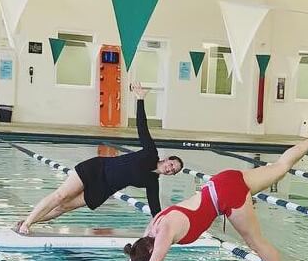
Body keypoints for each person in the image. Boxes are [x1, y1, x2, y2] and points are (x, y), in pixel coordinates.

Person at [96, 126, 308, 261]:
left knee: (256, 242)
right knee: (280, 166)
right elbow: (137, 258)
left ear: (151, 248)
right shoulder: (153, 226)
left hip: (227, 198)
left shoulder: (164, 233)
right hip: (221, 180)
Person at [14, 83, 183, 234]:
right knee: (60, 196)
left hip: (102, 190)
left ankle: (26, 222)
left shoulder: (152, 182)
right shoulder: (151, 153)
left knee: (63, 208)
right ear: (167, 159)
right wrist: (140, 99)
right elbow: (142, 127)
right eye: (172, 164)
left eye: (173, 170)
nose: (170, 169)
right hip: (96, 169)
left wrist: (164, 228)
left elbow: (155, 209)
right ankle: (27, 223)